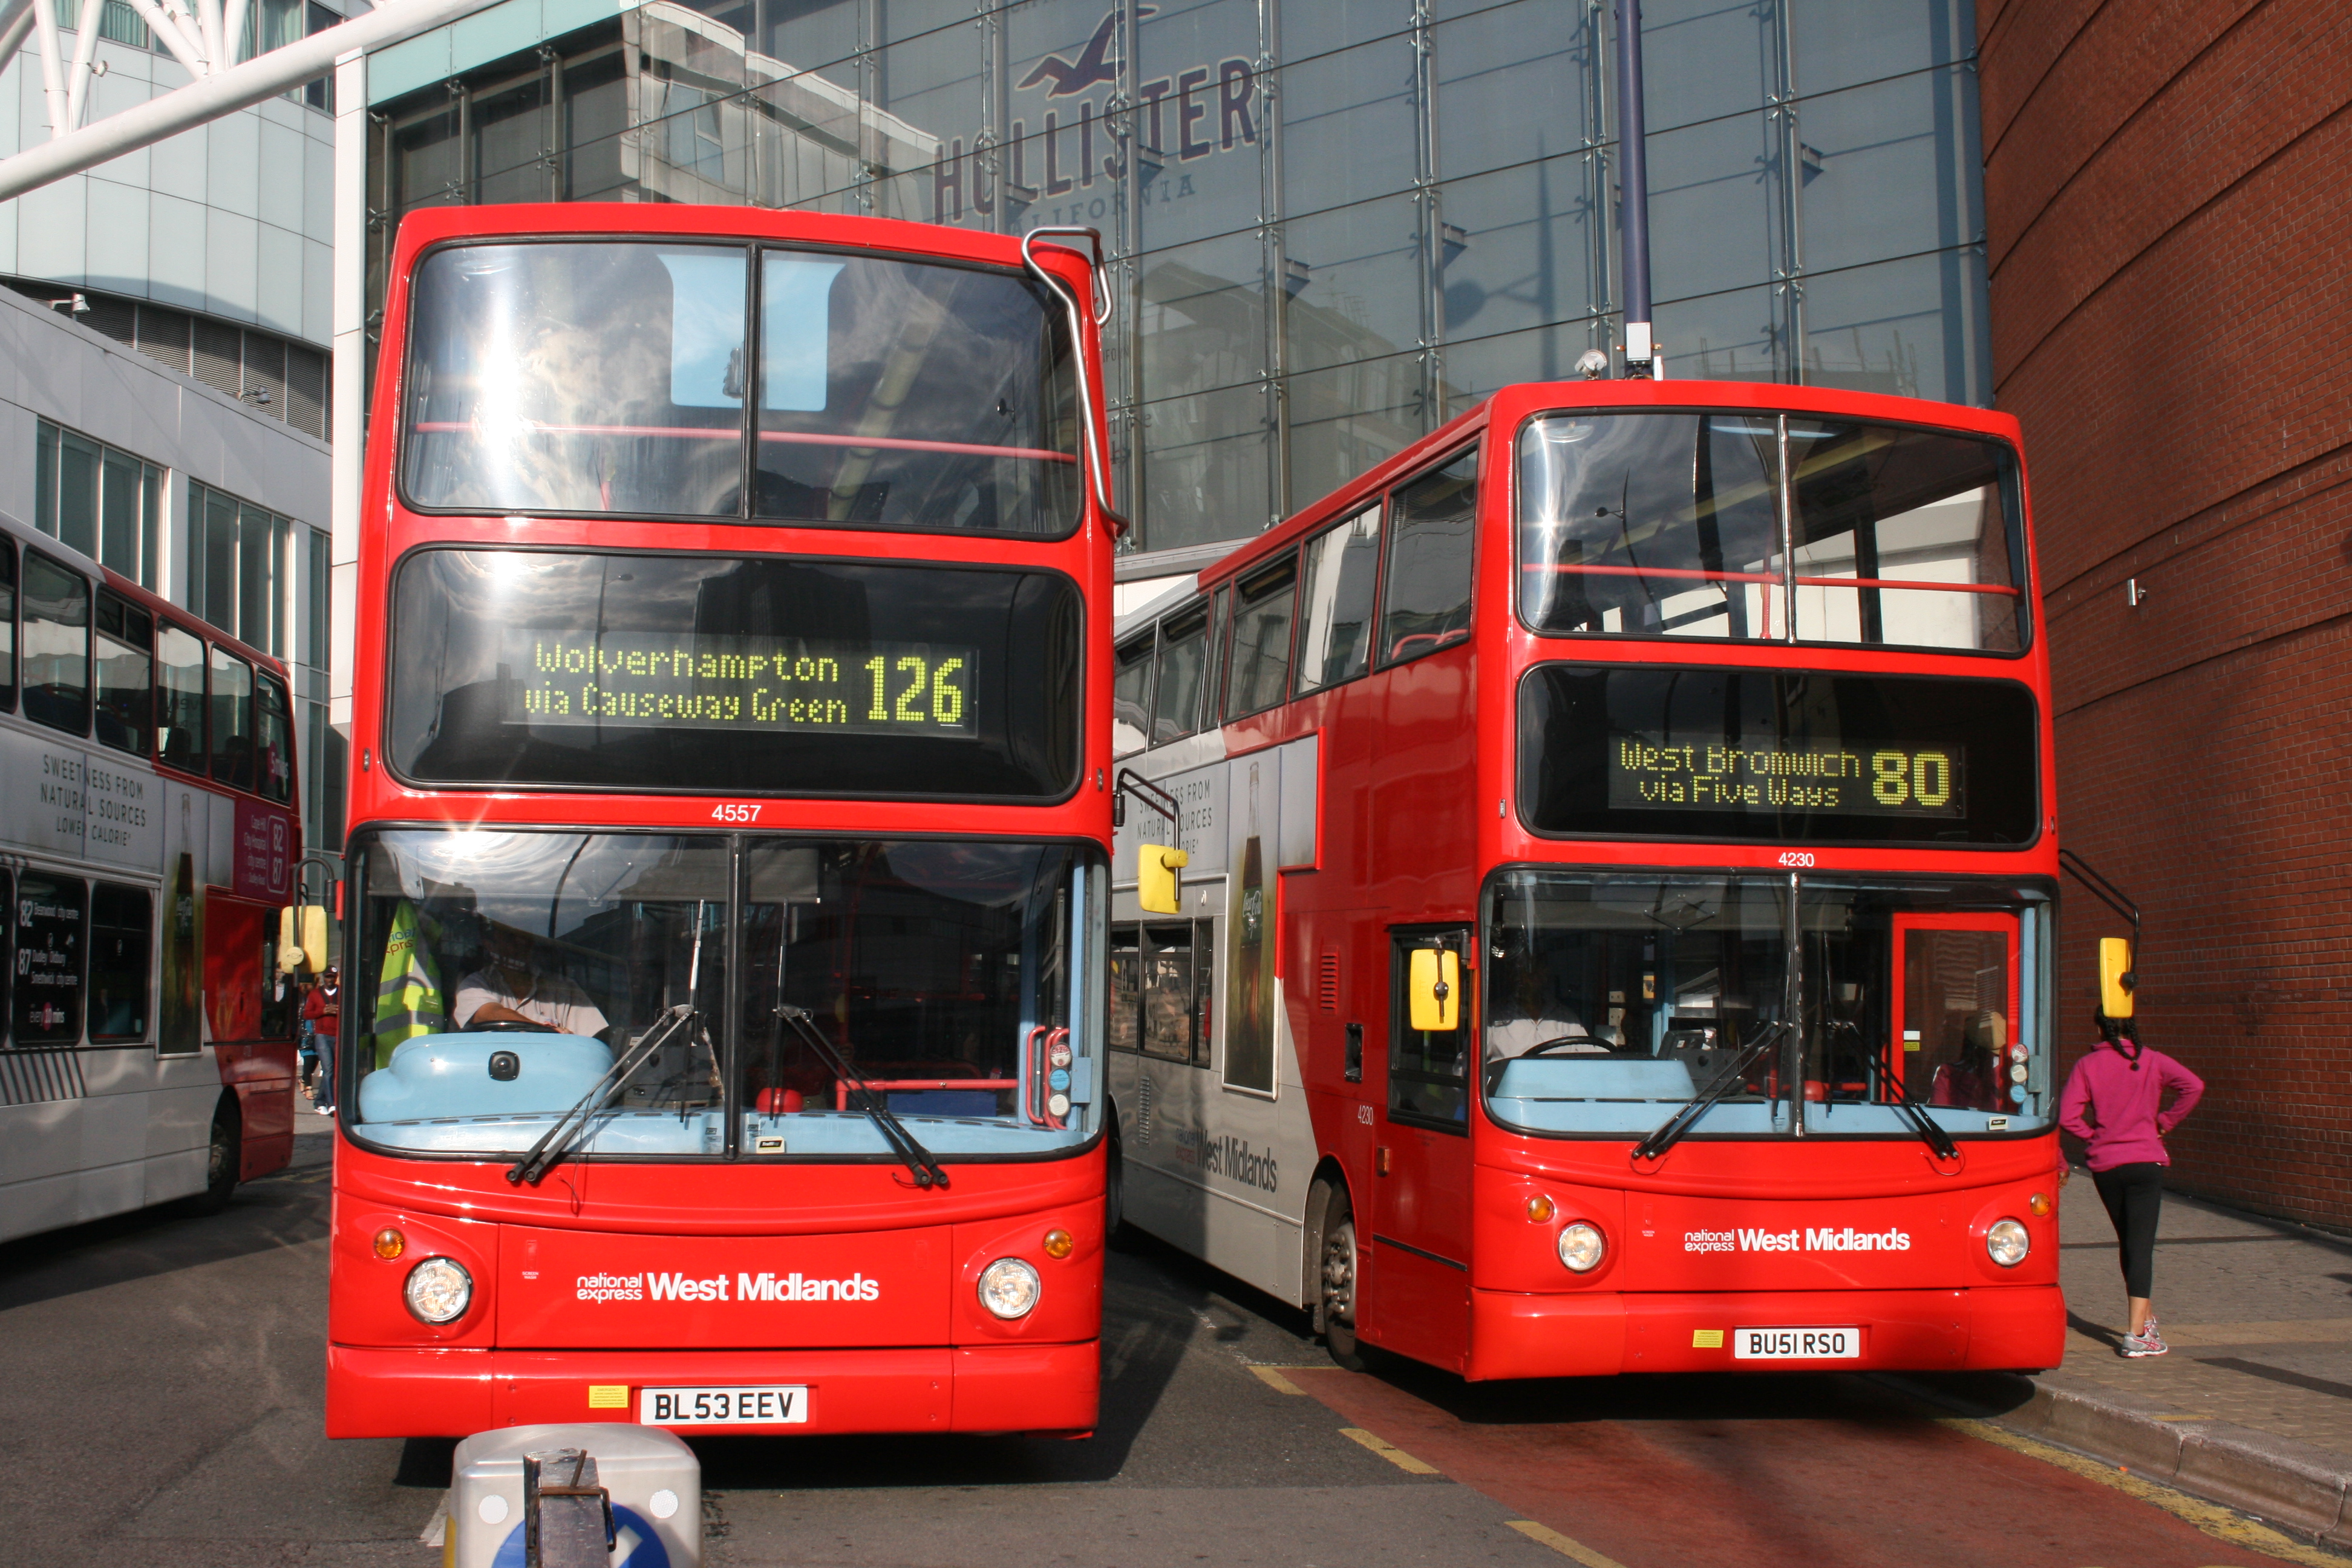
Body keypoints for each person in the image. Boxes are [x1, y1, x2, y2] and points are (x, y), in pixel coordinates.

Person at [2058, 1010, 2204, 1357]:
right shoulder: (2151, 1060)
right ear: (2132, 1027)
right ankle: (2137, 1333)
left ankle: (2147, 1322)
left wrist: (2093, 1136)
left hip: (2107, 1166)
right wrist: (2165, 1122)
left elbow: (2067, 1116)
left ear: (2098, 1028)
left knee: (2129, 1241)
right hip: (2145, 1162)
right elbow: (2193, 1086)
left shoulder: (2088, 1065)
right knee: (2141, 1245)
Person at [454, 924, 609, 1038]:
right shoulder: (476, 984)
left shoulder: (563, 988)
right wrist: (546, 1031)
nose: (520, 944)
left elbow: (593, 1039)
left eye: (524, 937)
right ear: (491, 946)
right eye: (510, 938)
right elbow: (490, 1013)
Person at [302, 968, 342, 1115]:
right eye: (327, 977)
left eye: (332, 977)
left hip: (338, 1035)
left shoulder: (342, 992)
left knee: (335, 1070)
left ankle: (320, 1101)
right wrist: (323, 1011)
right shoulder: (315, 994)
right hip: (322, 1036)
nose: (330, 980)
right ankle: (332, 1104)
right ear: (323, 978)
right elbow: (307, 1014)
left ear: (336, 977)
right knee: (328, 1069)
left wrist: (339, 1010)